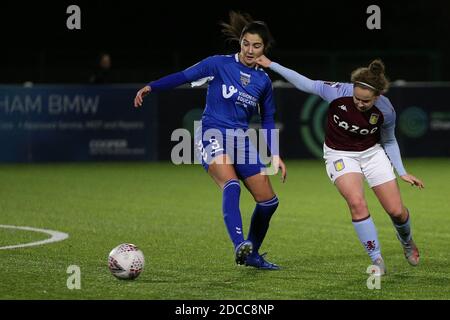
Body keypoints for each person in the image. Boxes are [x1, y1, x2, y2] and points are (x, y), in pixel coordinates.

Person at [134, 12, 286, 270]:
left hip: (242, 140)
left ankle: (252, 253)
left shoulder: (263, 81)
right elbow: (183, 76)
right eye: (246, 43)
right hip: (212, 134)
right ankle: (239, 244)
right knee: (231, 184)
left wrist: (274, 153)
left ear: (265, 47)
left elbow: (268, 117)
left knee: (269, 202)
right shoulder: (218, 64)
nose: (250, 50)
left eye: (256, 45)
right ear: (240, 42)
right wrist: (152, 86)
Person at [256, 55, 424, 275]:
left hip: (372, 154)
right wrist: (272, 65)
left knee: (396, 212)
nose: (360, 103)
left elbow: (389, 140)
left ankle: (407, 240)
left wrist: (401, 171)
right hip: (340, 155)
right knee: (356, 202)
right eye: (357, 98)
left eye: (366, 101)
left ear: (377, 95)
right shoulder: (337, 92)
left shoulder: (386, 110)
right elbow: (305, 83)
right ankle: (377, 258)